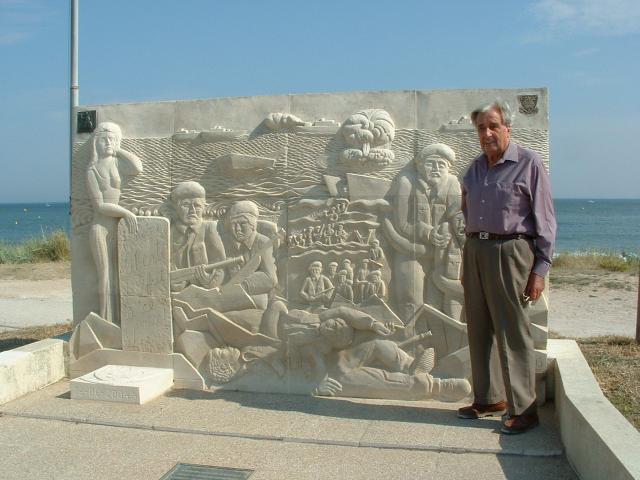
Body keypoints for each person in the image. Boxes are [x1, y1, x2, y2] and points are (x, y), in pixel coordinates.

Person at [458, 99, 556, 435]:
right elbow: (466, 212)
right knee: (479, 327)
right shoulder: (473, 169)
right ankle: (488, 399)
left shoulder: (528, 163)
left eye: (493, 126)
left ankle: (524, 409)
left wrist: (540, 269)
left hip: (511, 250)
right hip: (475, 250)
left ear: (508, 128)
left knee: (513, 331)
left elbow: (545, 220)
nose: (486, 133)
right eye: (481, 128)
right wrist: (466, 258)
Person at [86, 122, 143, 324]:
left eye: (112, 139)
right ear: (96, 143)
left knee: (119, 273)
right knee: (104, 274)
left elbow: (137, 167)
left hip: (115, 226)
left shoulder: (117, 163)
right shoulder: (92, 171)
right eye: (104, 139)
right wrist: (125, 212)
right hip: (100, 227)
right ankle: (105, 320)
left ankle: (120, 319)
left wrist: (118, 149)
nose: (108, 143)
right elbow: (101, 206)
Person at [169, 181, 226, 291]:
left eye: (197, 206)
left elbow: (220, 264)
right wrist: (173, 283)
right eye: (186, 205)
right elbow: (165, 264)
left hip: (204, 292)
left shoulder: (209, 228)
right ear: (176, 207)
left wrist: (210, 281)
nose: (192, 211)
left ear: (204, 207)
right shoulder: (170, 231)